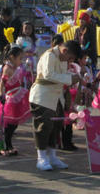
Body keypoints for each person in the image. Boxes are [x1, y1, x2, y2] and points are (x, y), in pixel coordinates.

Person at [29, 37, 81, 171]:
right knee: (43, 126)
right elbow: (48, 74)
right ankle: (41, 158)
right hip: (42, 96)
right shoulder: (49, 55)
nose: (70, 62)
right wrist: (69, 78)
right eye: (70, 58)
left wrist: (74, 77)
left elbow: (62, 76)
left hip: (57, 97)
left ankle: (52, 156)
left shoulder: (63, 58)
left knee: (56, 126)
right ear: (64, 50)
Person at [0, 45, 32, 156]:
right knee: (9, 125)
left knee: (14, 124)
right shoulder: (7, 69)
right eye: (20, 58)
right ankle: (6, 146)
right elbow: (2, 84)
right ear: (12, 57)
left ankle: (9, 144)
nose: (21, 61)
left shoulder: (17, 68)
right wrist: (1, 95)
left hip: (18, 96)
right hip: (11, 98)